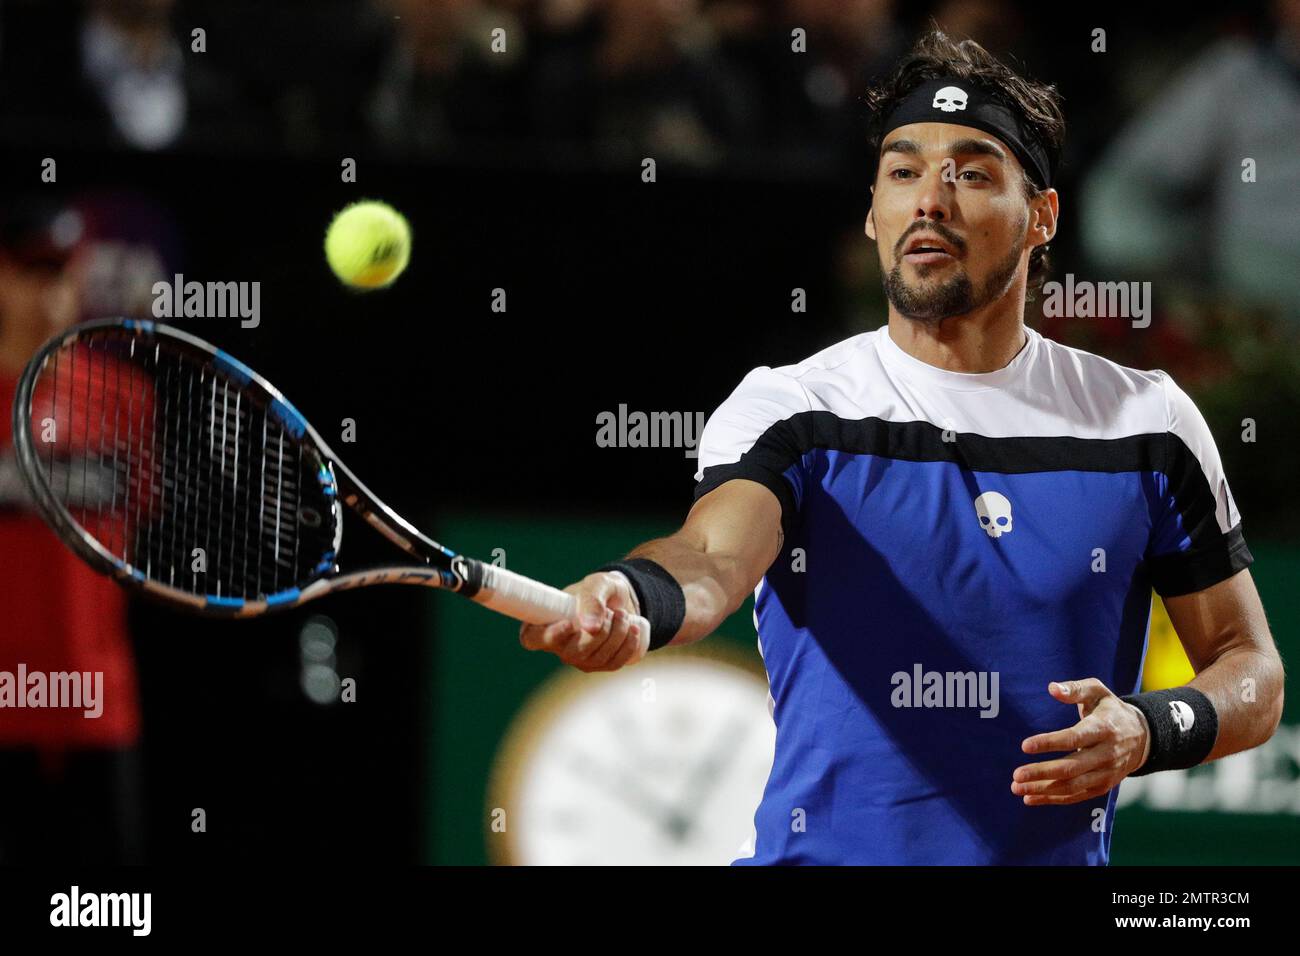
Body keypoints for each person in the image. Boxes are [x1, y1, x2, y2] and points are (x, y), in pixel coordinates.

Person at [517, 30, 1285, 865]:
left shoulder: (1147, 423)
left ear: (1042, 217)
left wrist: (1146, 726)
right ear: (875, 213)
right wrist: (634, 594)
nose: (931, 200)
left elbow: (1251, 672)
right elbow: (709, 558)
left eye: (973, 173)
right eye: (903, 171)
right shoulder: (795, 406)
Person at [0, 198, 143, 864]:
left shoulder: (125, 400)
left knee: (105, 910)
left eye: (60, 272)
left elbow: (145, 542)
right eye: (32, 271)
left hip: (98, 709)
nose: (50, 292)